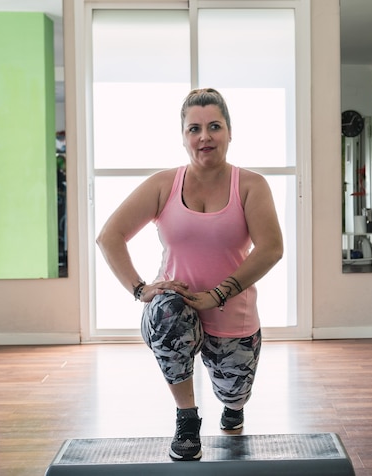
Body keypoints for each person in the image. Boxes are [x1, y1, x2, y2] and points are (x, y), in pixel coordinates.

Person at [96, 88, 284, 461]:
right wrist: (140, 289)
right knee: (168, 314)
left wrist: (217, 294)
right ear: (183, 137)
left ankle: (233, 403)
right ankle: (186, 418)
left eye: (214, 126)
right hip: (176, 308)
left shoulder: (250, 186)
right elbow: (109, 236)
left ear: (229, 132)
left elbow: (271, 249)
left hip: (232, 314)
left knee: (234, 397)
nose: (204, 137)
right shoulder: (164, 184)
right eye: (194, 128)